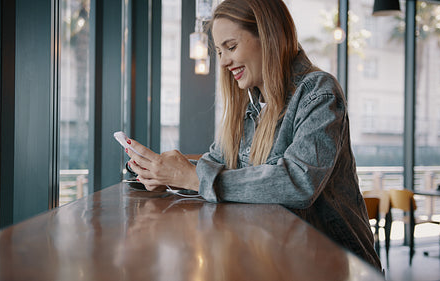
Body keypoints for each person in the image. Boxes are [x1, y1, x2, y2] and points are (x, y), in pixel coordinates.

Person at [125, 0, 382, 270]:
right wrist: (164, 173)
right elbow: (213, 163)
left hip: (334, 265)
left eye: (231, 47)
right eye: (219, 51)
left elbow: (298, 181)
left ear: (269, 36)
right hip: (276, 260)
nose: (223, 62)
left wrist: (190, 177)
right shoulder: (251, 106)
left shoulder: (319, 92)